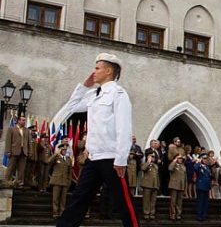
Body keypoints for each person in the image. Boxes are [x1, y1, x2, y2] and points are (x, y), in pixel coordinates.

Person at [56, 53, 138, 227]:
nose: (94, 72)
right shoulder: (93, 94)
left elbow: (124, 128)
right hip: (93, 158)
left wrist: (121, 159)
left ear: (108, 71)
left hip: (111, 158)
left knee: (124, 202)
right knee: (79, 198)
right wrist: (83, 87)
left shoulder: (118, 94)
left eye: (97, 68)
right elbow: (71, 106)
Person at [4, 115, 31, 187]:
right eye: (22, 120)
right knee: (11, 167)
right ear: (18, 121)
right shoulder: (12, 129)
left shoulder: (27, 130)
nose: (24, 122)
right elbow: (8, 141)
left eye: (24, 120)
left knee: (21, 168)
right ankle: (7, 181)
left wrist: (29, 151)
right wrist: (8, 151)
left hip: (24, 151)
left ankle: (19, 182)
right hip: (14, 151)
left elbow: (29, 142)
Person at [49, 143, 73, 218]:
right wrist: (56, 154)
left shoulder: (68, 159)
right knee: (55, 198)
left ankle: (62, 212)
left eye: (65, 150)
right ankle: (55, 212)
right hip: (56, 181)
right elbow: (49, 162)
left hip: (64, 181)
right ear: (60, 150)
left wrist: (69, 181)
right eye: (63, 149)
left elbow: (69, 172)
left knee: (63, 199)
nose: (64, 151)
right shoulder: (56, 157)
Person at [141, 150, 159, 220]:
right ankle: (146, 213)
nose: (153, 158)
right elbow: (143, 168)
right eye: (152, 156)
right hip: (147, 185)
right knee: (146, 201)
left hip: (154, 185)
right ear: (148, 156)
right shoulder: (145, 164)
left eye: (154, 157)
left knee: (153, 201)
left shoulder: (156, 166)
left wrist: (158, 185)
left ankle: (152, 213)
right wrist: (148, 161)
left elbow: (157, 176)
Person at [168, 154, 187, 221]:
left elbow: (185, 178)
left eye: (181, 158)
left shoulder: (183, 166)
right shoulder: (174, 165)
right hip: (174, 185)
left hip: (181, 186)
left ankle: (178, 215)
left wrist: (185, 187)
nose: (180, 159)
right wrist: (174, 160)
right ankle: (172, 215)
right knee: (173, 201)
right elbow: (170, 168)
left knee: (179, 202)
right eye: (179, 158)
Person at [195, 153, 212, 221]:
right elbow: (195, 168)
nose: (205, 160)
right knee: (200, 202)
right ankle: (199, 215)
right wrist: (198, 162)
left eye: (206, 159)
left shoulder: (207, 167)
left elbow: (209, 175)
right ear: (201, 159)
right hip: (201, 186)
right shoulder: (199, 166)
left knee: (205, 202)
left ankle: (204, 215)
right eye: (204, 159)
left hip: (206, 186)